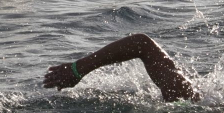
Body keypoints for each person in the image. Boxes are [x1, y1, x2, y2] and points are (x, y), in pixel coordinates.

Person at [43, 33, 200, 103]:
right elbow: (142, 44)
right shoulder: (185, 97)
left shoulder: (182, 97)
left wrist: (77, 69)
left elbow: (142, 44)